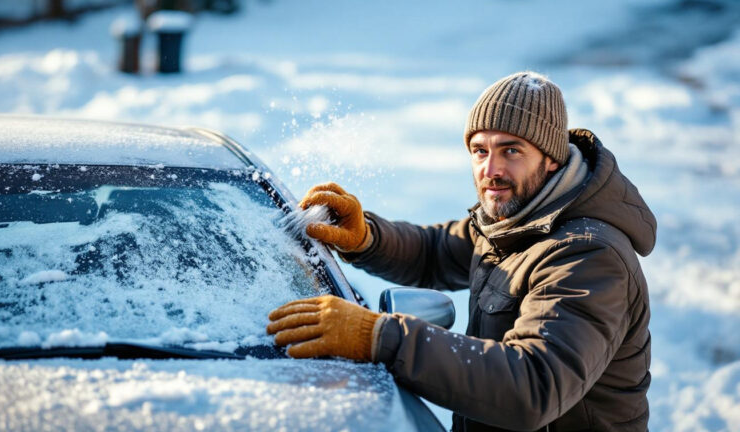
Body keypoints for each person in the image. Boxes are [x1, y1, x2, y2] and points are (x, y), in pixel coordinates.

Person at [266, 71, 656, 431]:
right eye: (480, 151)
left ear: (551, 158)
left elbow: (535, 386)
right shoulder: (516, 221)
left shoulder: (588, 256)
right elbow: (436, 252)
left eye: (511, 151)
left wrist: (381, 336)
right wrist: (368, 237)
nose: (491, 169)